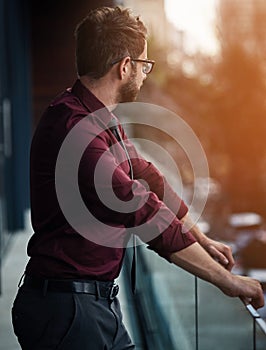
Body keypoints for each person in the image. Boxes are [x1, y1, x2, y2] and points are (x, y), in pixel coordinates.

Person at [11, 6, 264, 350]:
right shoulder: (75, 131)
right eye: (145, 65)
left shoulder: (100, 119)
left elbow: (148, 176)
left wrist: (203, 241)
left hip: (95, 304)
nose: (146, 74)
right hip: (67, 311)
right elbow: (141, 209)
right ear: (125, 66)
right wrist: (227, 281)